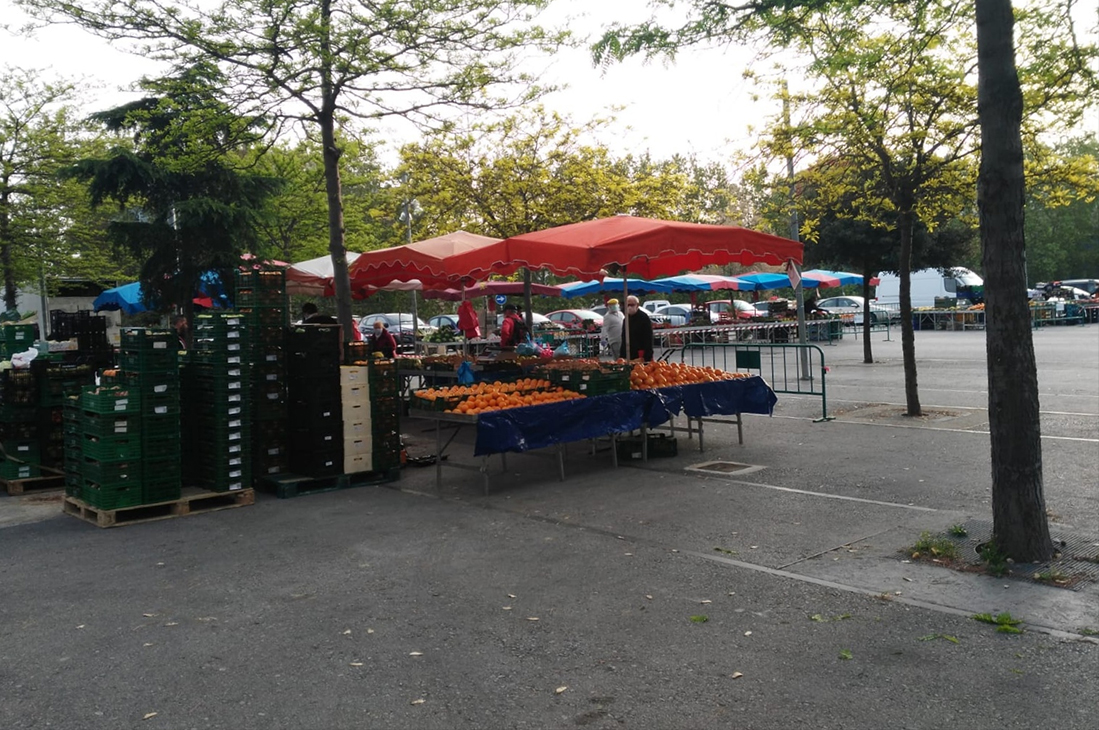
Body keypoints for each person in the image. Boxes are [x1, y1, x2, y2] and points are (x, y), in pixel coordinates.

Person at [620, 295, 654, 362]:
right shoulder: (626, 319)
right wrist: (622, 356)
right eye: (627, 305)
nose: (629, 307)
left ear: (637, 305)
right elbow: (623, 337)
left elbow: (648, 338)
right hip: (629, 353)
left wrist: (646, 356)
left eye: (632, 305)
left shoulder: (644, 318)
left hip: (640, 354)